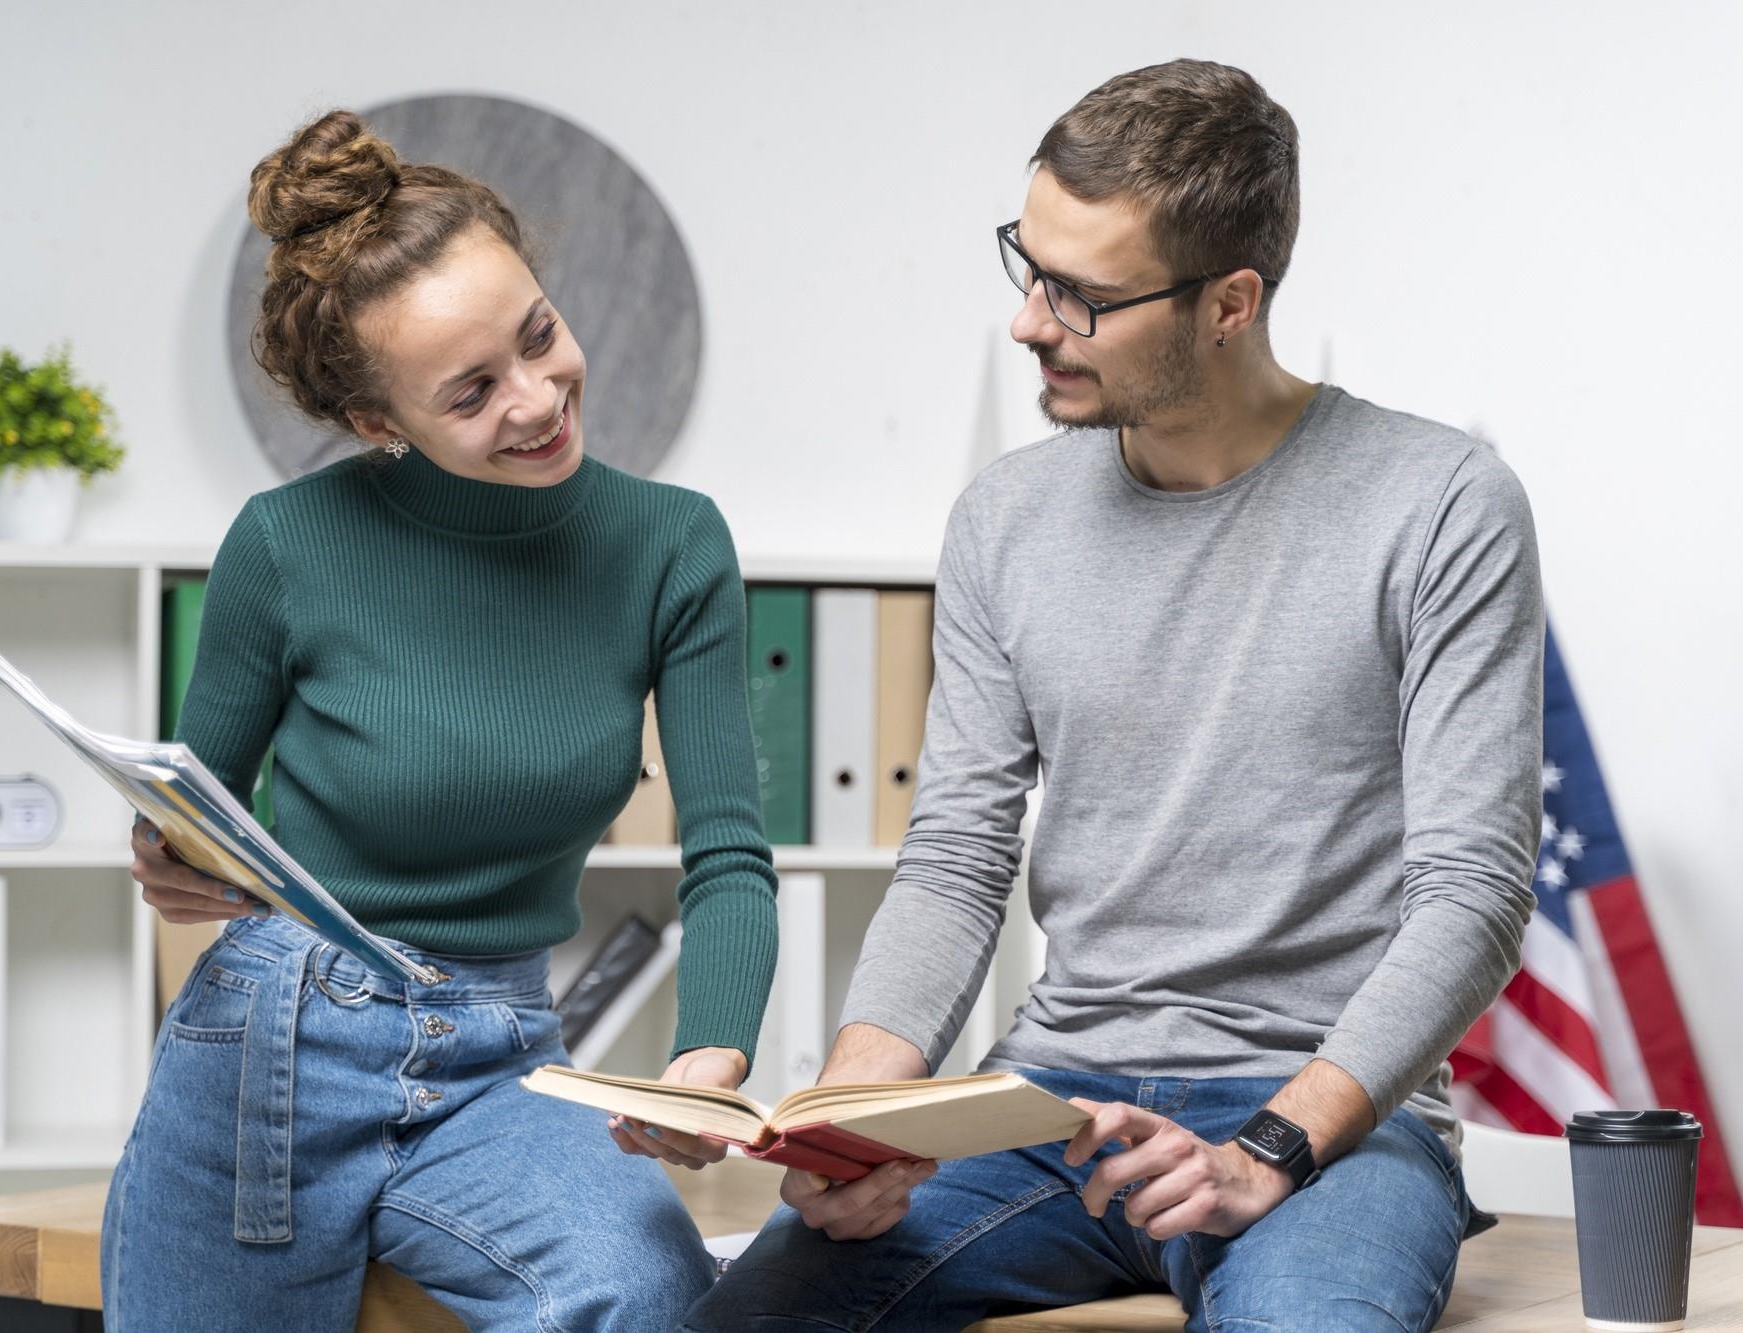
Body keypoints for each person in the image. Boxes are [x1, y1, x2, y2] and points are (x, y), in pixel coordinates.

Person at [685, 59, 1541, 1332]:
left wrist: (1269, 1145)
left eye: (1081, 296)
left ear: (1228, 303)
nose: (1029, 323)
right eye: (1027, 269)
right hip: (1051, 1100)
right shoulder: (1004, 519)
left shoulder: (1439, 505)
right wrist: (853, 1119)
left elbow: (1473, 890)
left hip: (1319, 1114)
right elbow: (955, 855)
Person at [101, 109, 778, 1332]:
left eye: (539, 335)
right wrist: (168, 853)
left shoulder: (672, 545)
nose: (537, 399)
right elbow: (199, 804)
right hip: (278, 1039)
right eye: (471, 391)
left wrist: (709, 1056)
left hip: (501, 1054)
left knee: (649, 1296)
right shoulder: (287, 542)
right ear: (380, 424)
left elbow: (726, 850)